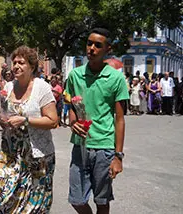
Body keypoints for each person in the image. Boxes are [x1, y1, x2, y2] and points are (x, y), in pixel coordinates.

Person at [64, 28, 129, 214]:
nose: (91, 48)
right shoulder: (75, 75)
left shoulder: (116, 78)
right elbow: (71, 106)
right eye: (89, 43)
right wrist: (72, 122)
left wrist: (118, 156)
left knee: (102, 200)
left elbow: (120, 119)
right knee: (76, 199)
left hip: (104, 147)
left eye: (98, 45)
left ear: (107, 49)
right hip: (80, 146)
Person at [0, 46, 58, 213]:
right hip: (11, 152)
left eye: (21, 62)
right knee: (4, 197)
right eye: (14, 62)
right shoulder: (8, 88)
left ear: (32, 66)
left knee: (33, 205)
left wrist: (25, 120)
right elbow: (3, 116)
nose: (16, 66)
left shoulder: (41, 87)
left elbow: (53, 121)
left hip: (37, 154)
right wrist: (3, 121)